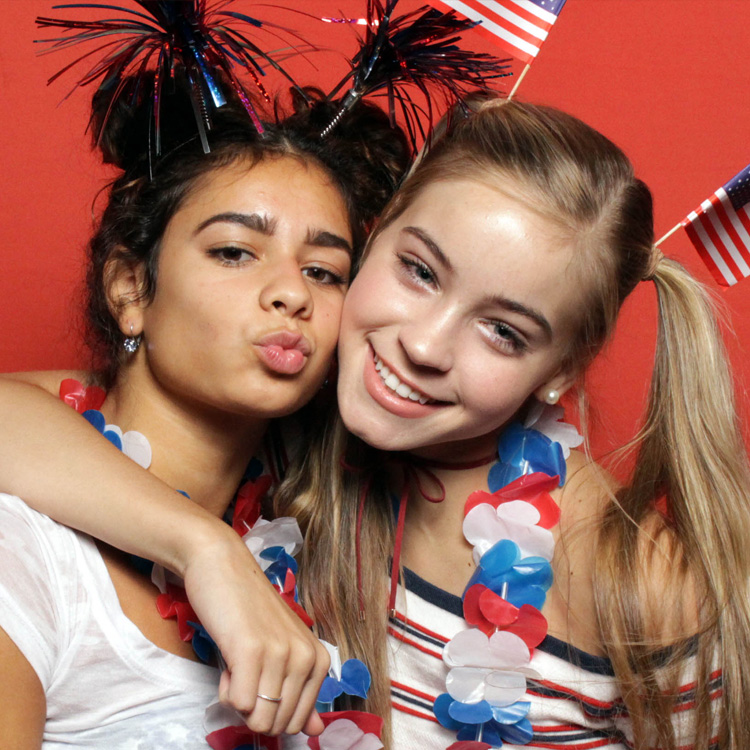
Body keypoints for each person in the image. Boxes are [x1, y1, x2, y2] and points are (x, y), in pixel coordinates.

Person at [2, 98, 748, 748]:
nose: (422, 346)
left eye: (504, 333)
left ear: (560, 371)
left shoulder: (638, 581)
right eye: (419, 271)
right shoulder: (296, 432)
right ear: (377, 237)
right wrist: (206, 550)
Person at [0, 68, 409, 747]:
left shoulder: (314, 555)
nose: (291, 294)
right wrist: (206, 549)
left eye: (323, 271)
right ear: (131, 287)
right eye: (234, 251)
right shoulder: (23, 550)